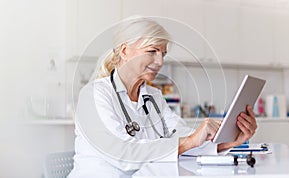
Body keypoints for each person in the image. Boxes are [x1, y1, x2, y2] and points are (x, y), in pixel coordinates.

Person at [68, 17, 257, 178]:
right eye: (152, 51)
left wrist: (228, 141)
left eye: (163, 54)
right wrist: (190, 140)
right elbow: (122, 155)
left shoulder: (153, 97)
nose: (159, 62)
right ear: (124, 51)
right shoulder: (94, 95)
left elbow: (180, 135)